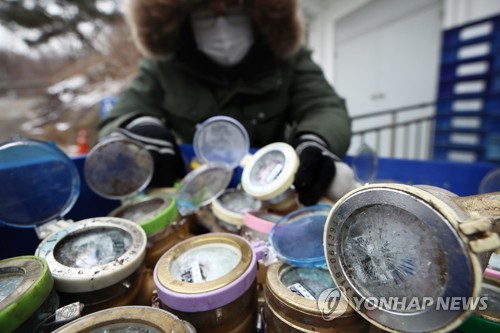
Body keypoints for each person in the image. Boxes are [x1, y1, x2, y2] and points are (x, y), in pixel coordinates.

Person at [99, 0, 357, 205]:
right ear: (181, 14)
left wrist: (315, 140)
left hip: (276, 190)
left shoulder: (287, 58)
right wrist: (141, 130)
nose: (221, 24)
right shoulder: (164, 66)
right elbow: (124, 113)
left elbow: (324, 106)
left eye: (234, 5)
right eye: (204, 9)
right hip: (199, 195)